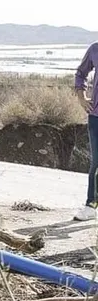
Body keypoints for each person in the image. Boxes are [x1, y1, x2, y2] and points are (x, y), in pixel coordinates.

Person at [73, 42, 98, 221]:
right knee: (97, 162)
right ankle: (91, 205)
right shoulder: (95, 49)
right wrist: (81, 98)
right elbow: (81, 73)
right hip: (96, 116)